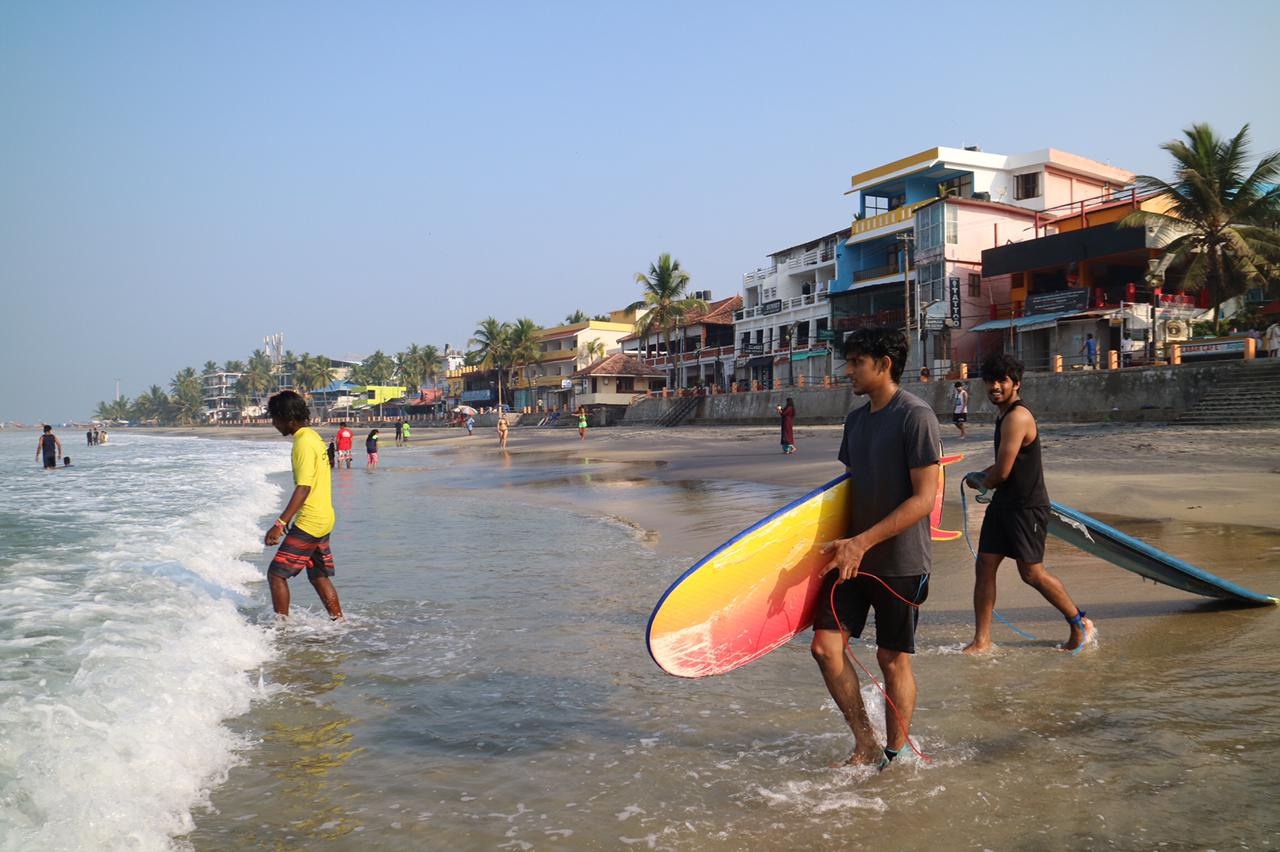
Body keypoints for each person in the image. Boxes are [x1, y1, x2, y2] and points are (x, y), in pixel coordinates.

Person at [812, 327, 941, 769]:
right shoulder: (856, 420)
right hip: (850, 556)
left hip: (899, 561)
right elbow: (851, 488)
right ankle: (865, 743)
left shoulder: (916, 416)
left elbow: (924, 498)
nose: (847, 371)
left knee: (892, 660)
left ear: (884, 364)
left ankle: (896, 751)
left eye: (856, 362)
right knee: (825, 648)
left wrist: (862, 542)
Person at [961, 353, 1095, 655]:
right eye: (990, 381)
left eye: (1001, 381)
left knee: (1031, 573)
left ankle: (1078, 621)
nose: (995, 386)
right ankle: (982, 640)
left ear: (1016, 384)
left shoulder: (1018, 416)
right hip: (1004, 504)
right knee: (985, 567)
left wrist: (984, 481)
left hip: (1026, 507)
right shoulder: (1003, 414)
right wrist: (983, 475)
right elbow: (1001, 467)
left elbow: (1004, 471)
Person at [263, 390, 344, 621]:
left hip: (312, 521)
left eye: (275, 418)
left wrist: (280, 523)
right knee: (318, 574)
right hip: (324, 517)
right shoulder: (313, 437)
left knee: (276, 574)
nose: (274, 423)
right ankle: (339, 623)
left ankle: (281, 630)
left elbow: (304, 487)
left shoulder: (303, 443)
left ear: (287, 418)